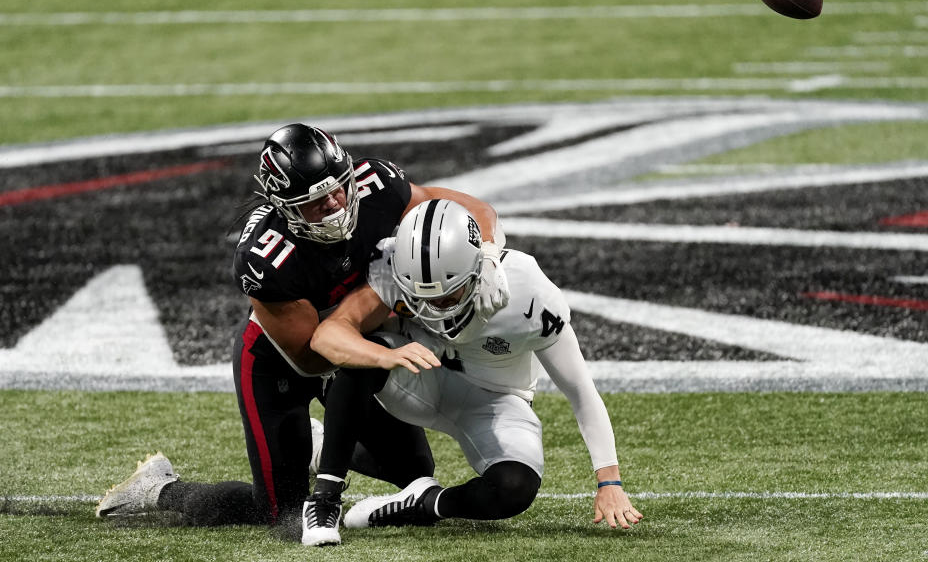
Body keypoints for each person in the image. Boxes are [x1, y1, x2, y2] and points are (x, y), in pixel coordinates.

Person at [95, 124, 509, 538]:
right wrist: (386, 302)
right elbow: (315, 353)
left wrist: (488, 254)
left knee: (415, 469)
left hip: (353, 343)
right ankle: (160, 490)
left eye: (337, 189)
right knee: (279, 513)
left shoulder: (377, 184)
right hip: (283, 364)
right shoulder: (265, 257)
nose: (333, 204)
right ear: (285, 206)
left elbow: (471, 211)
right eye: (314, 201)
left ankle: (313, 446)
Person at [300, 199, 642, 546]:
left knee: (515, 487)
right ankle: (325, 497)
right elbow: (330, 335)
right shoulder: (390, 266)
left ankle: (425, 503)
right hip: (420, 374)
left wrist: (609, 481)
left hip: (497, 399)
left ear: (478, 269)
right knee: (363, 357)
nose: (435, 309)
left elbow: (580, 390)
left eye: (448, 297)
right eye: (422, 298)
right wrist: (380, 354)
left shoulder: (526, 290)